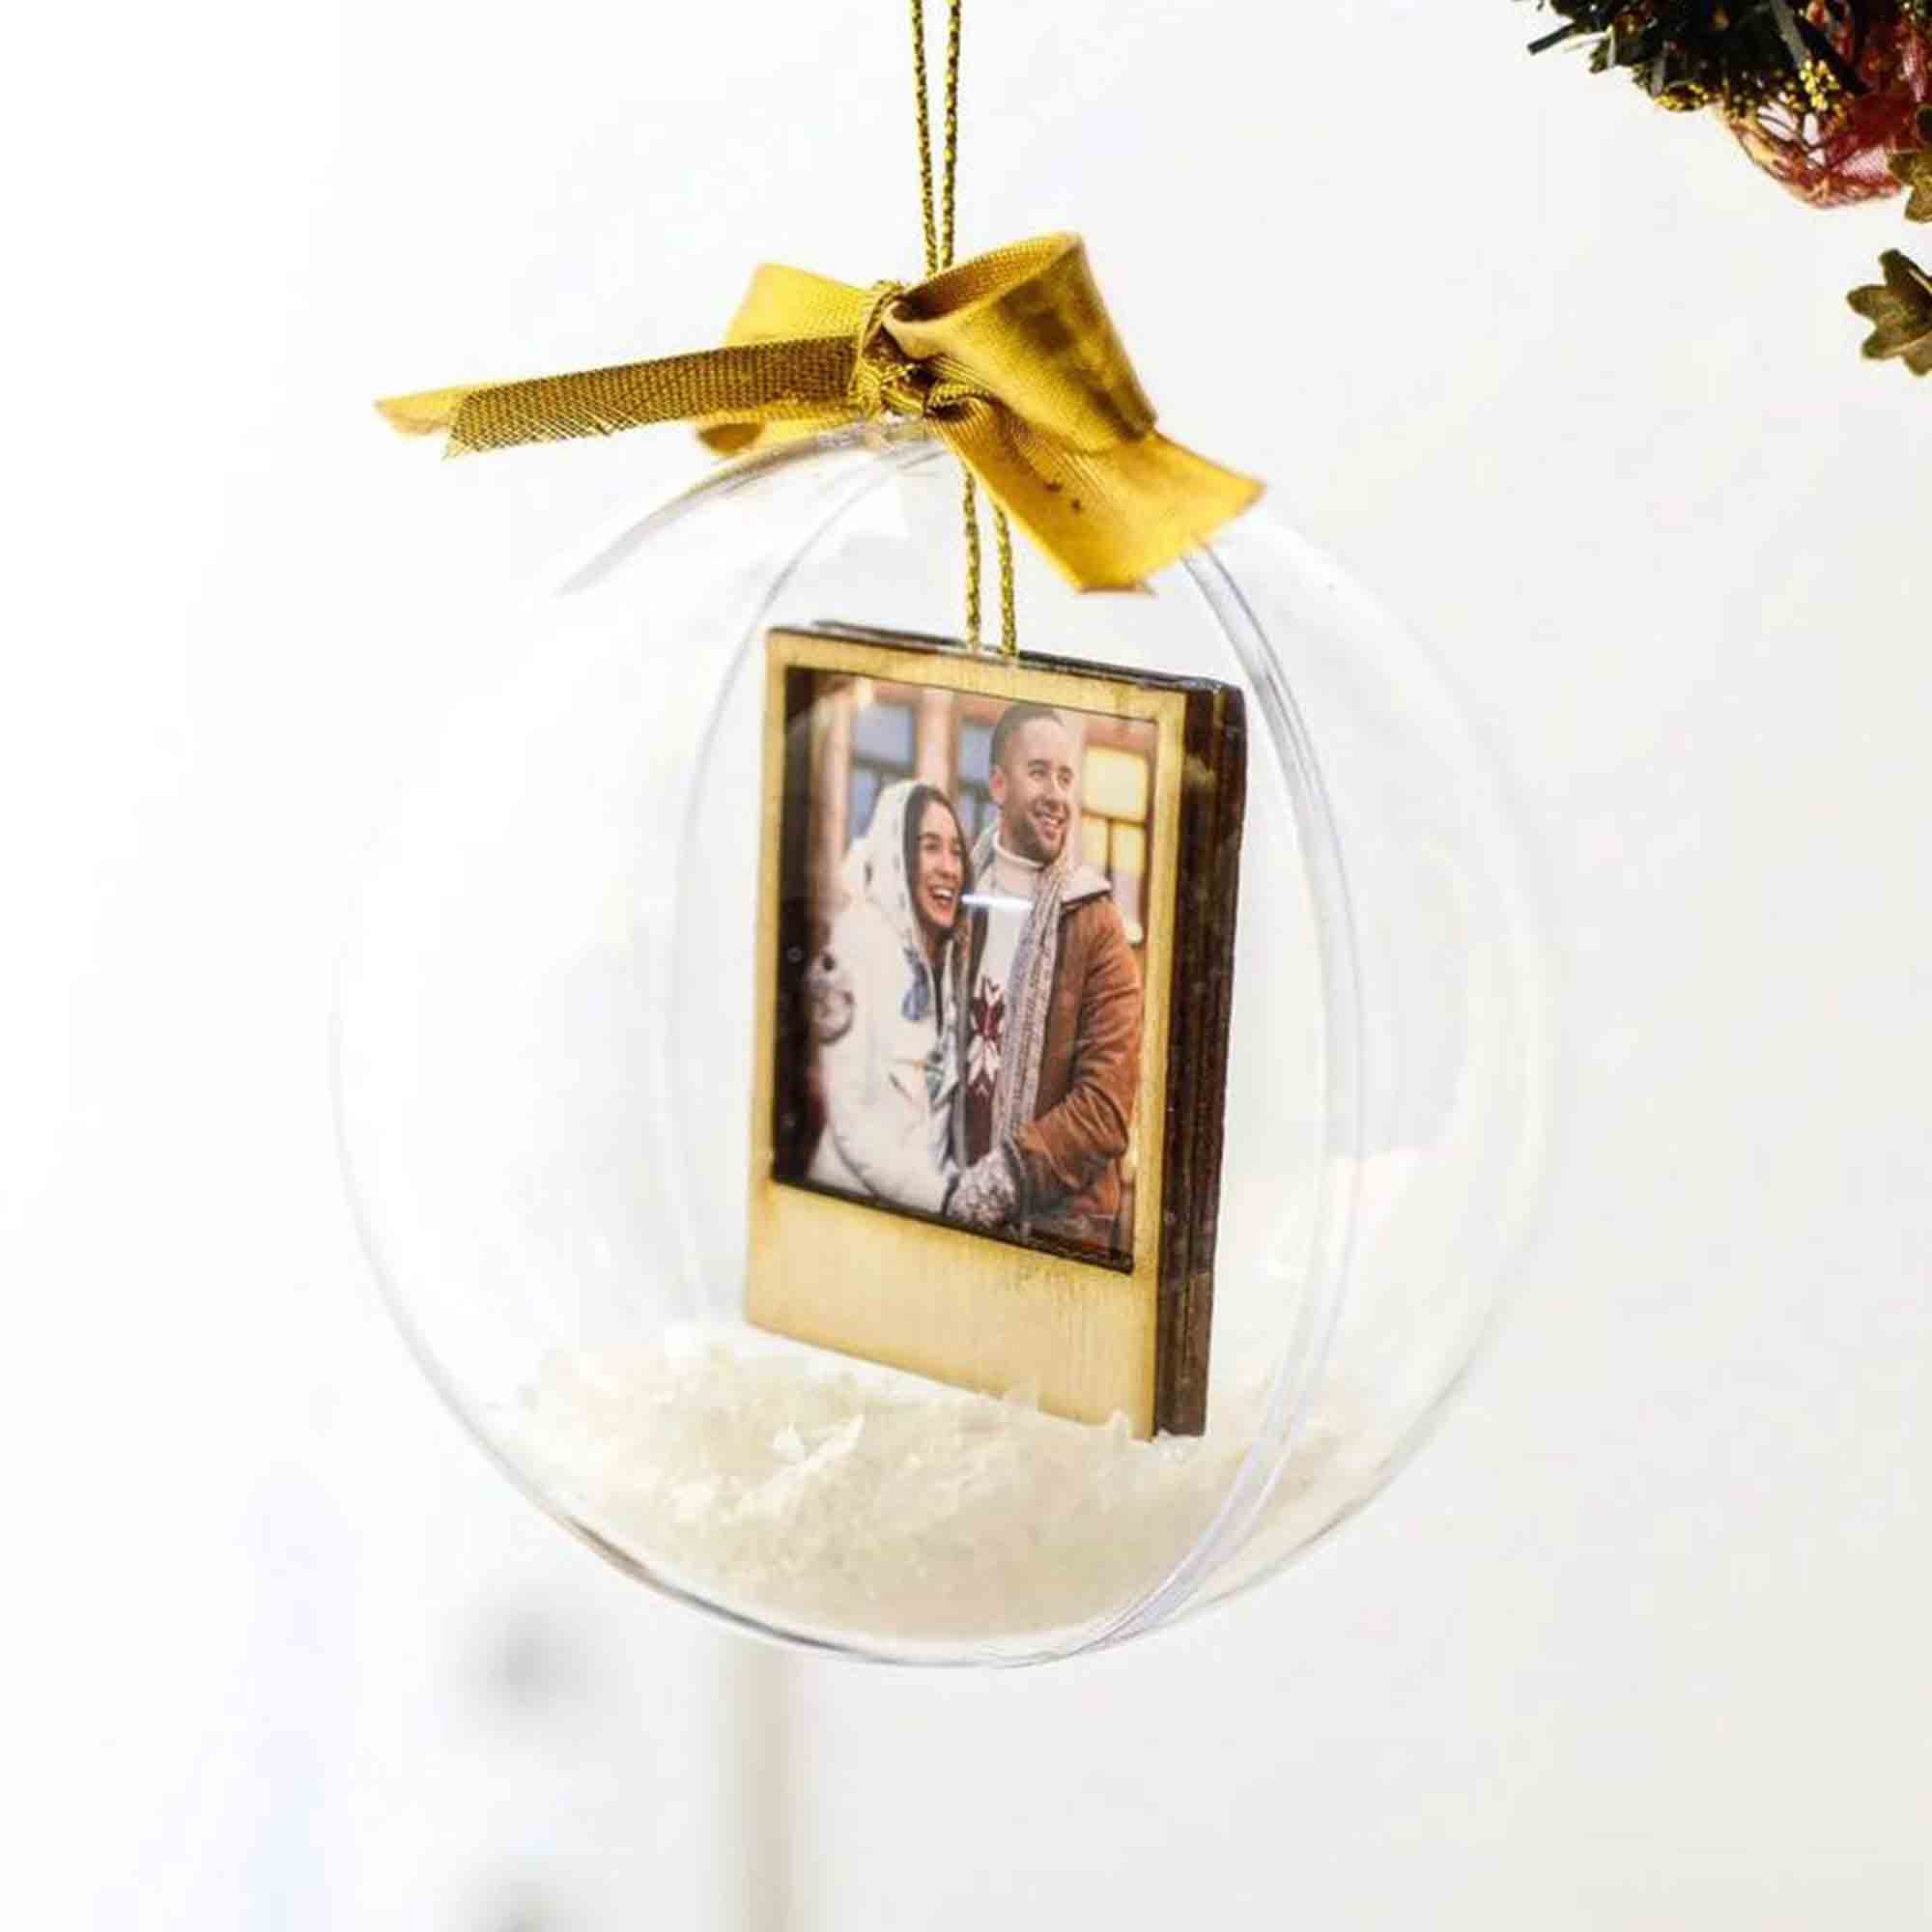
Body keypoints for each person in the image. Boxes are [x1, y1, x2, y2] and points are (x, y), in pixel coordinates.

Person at [945, 702, 1143, 1253]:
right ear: (998, 785)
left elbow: (1105, 1110)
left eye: (1065, 778)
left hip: (1056, 1238)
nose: (1058, 795)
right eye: (1039, 773)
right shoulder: (955, 904)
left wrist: (998, 1182)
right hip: (948, 1219)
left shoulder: (1096, 923)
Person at [806, 778, 971, 1215]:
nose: (949, 868)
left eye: (956, 851)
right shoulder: (855, 942)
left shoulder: (943, 965)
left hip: (914, 1219)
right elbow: (852, 1124)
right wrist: (942, 1198)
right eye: (930, 847)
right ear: (897, 854)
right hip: (847, 1212)